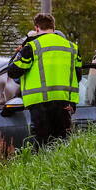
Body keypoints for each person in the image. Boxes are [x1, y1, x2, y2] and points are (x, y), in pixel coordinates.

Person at [7, 13, 81, 147]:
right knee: (61, 144)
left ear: (36, 28)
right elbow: (78, 75)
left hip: (39, 103)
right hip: (64, 101)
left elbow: (12, 71)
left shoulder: (32, 46)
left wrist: (21, 48)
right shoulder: (72, 47)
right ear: (54, 27)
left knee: (41, 144)